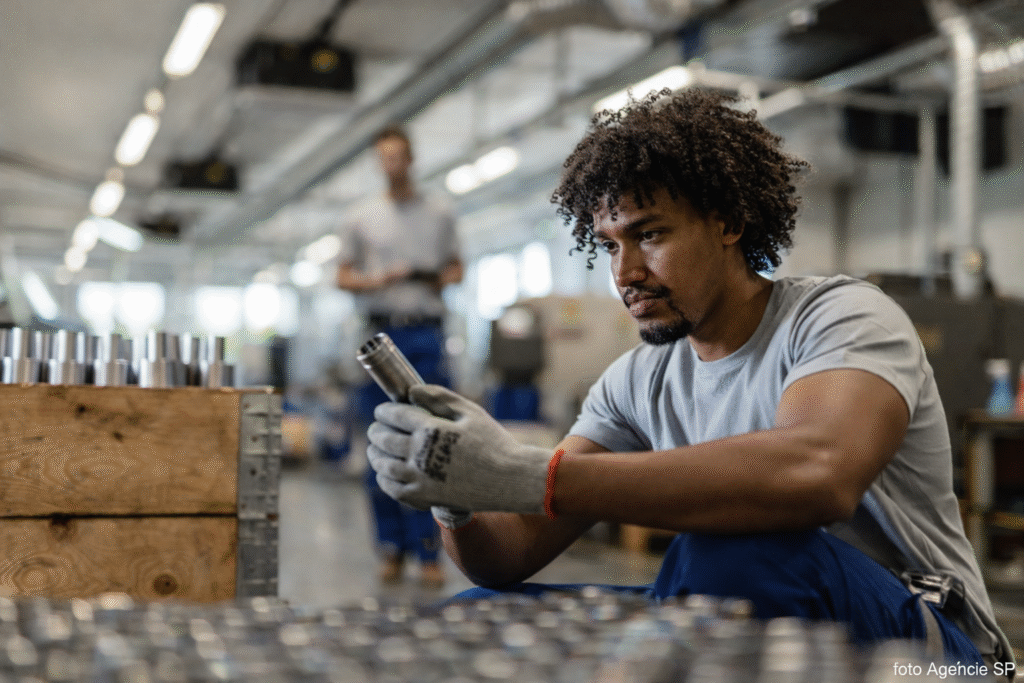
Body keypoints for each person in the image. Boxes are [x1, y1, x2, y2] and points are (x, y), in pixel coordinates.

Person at [364, 88, 1014, 673]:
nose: (627, 272)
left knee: (734, 555)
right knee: (481, 614)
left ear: (727, 221)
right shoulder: (638, 379)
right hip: (776, 620)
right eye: (611, 244)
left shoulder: (837, 316)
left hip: (932, 653)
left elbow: (818, 472)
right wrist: (456, 489)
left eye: (650, 235)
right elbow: (508, 554)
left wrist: (529, 473)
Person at [336, 124, 463, 589]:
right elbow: (342, 276)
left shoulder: (440, 213)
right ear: (378, 162)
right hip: (380, 335)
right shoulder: (360, 217)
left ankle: (429, 552)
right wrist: (378, 280)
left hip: (426, 336)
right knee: (381, 441)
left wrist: (435, 277)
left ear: (411, 159)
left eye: (398, 157)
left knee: (429, 442)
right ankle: (390, 548)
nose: (391, 166)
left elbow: (457, 267)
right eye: (383, 158)